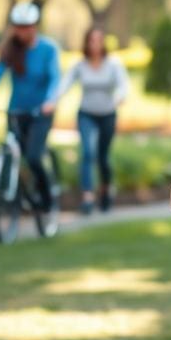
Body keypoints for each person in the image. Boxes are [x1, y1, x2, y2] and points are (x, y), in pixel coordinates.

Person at [0, 1, 61, 213]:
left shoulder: (48, 49)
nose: (22, 31)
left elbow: (55, 78)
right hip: (16, 112)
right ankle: (9, 195)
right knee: (11, 153)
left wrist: (50, 101)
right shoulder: (11, 50)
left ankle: (47, 198)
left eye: (27, 26)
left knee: (33, 156)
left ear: (35, 26)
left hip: (41, 113)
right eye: (18, 26)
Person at [57, 26, 129, 214]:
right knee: (88, 153)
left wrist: (119, 97)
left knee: (103, 157)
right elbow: (64, 85)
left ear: (103, 42)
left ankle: (105, 189)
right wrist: (52, 101)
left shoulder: (113, 64)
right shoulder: (80, 65)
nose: (95, 44)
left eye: (99, 40)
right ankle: (87, 196)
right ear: (87, 43)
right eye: (92, 40)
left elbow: (123, 85)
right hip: (86, 114)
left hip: (107, 114)